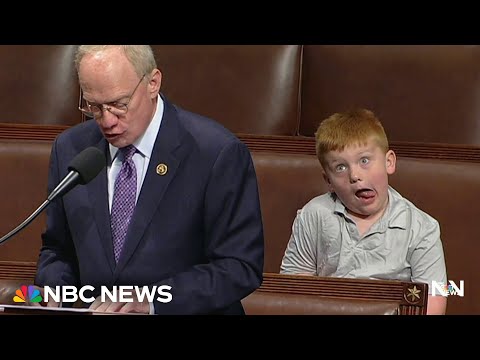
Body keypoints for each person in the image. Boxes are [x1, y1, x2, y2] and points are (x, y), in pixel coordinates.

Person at [33, 45, 264, 314]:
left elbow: (239, 265)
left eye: (119, 105)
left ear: (153, 83)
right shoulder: (71, 149)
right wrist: (55, 292)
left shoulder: (215, 153)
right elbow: (57, 249)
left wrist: (154, 301)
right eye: (94, 107)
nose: (107, 121)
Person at [280, 108, 447, 315]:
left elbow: (435, 295)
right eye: (341, 167)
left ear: (389, 162)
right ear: (328, 181)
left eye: (364, 161)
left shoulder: (423, 228)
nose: (355, 175)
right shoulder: (313, 214)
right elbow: (294, 286)